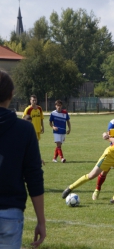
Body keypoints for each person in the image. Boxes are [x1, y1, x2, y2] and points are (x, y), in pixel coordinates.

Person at [0, 70, 46, 248]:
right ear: (12, 94)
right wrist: (41, 221)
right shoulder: (25, 130)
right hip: (10, 213)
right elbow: (34, 177)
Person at [62, 118, 114, 204]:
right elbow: (106, 133)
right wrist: (108, 137)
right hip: (110, 156)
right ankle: (70, 188)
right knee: (91, 175)